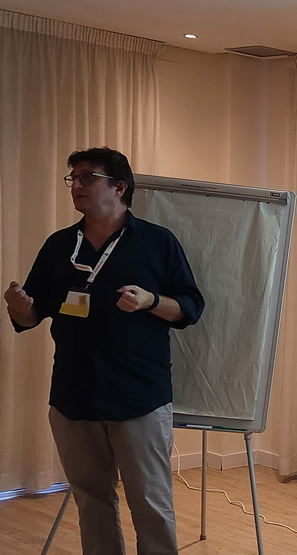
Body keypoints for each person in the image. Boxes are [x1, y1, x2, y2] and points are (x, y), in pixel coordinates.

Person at [4, 147, 204, 555]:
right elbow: (32, 315)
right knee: (92, 501)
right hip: (73, 395)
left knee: (150, 502)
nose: (76, 185)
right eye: (73, 179)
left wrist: (150, 300)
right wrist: (19, 308)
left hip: (139, 397)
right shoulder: (60, 245)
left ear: (119, 187)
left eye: (87, 177)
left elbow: (190, 307)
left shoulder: (157, 242)